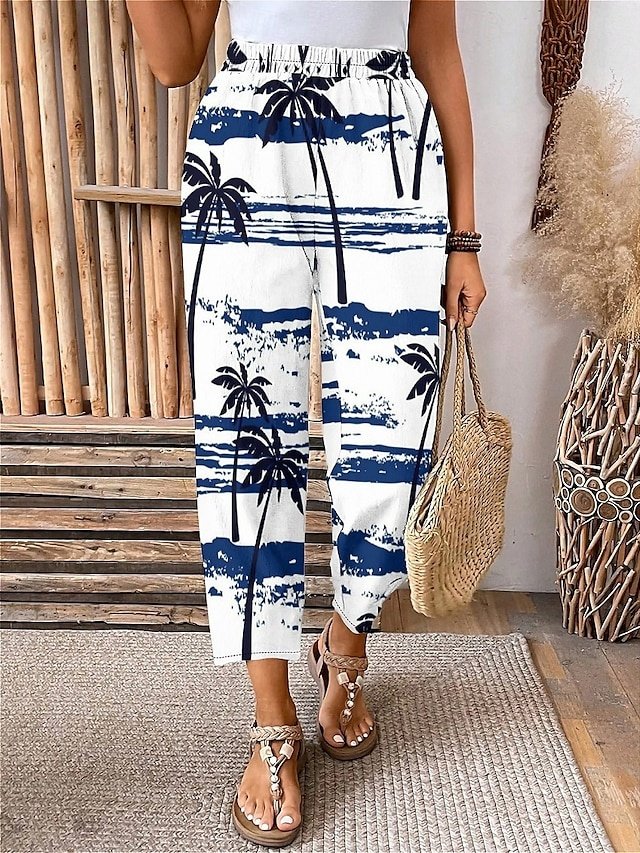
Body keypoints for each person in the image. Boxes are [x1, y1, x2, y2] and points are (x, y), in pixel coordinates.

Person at [127, 0, 486, 845]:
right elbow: (176, 60)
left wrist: (464, 237)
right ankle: (272, 714)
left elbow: (437, 48)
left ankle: (346, 637)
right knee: (246, 440)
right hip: (248, 140)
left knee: (393, 435)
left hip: (391, 143)